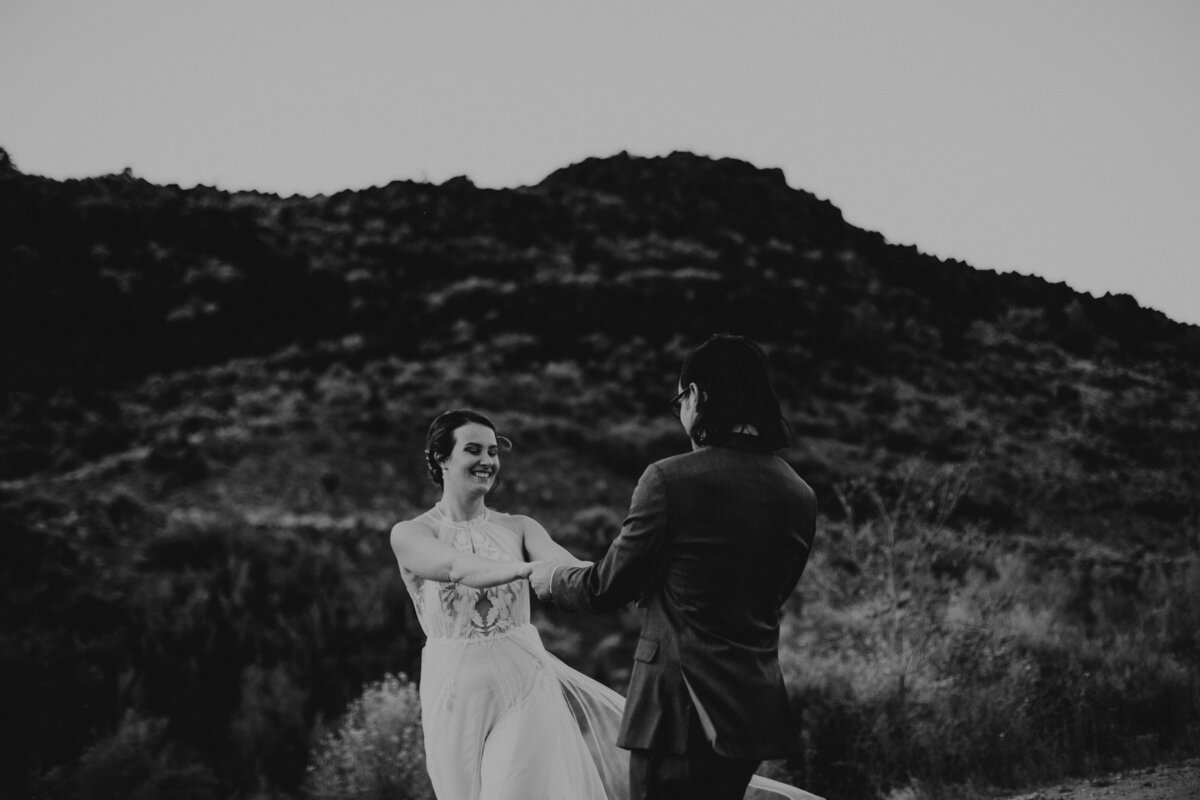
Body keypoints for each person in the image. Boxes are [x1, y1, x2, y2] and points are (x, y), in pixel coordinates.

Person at [391, 407, 818, 800]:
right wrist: (522, 570)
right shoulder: (411, 534)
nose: (488, 460)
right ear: (441, 459)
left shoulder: (519, 528)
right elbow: (452, 567)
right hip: (454, 689)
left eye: (493, 451)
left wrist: (637, 577)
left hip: (522, 682)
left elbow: (575, 568)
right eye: (473, 450)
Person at [530, 334, 819, 800]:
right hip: (749, 710)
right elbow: (765, 593)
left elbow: (606, 588)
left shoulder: (670, 479)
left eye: (678, 399)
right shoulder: (800, 494)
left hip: (676, 713)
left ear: (697, 395)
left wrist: (552, 579)